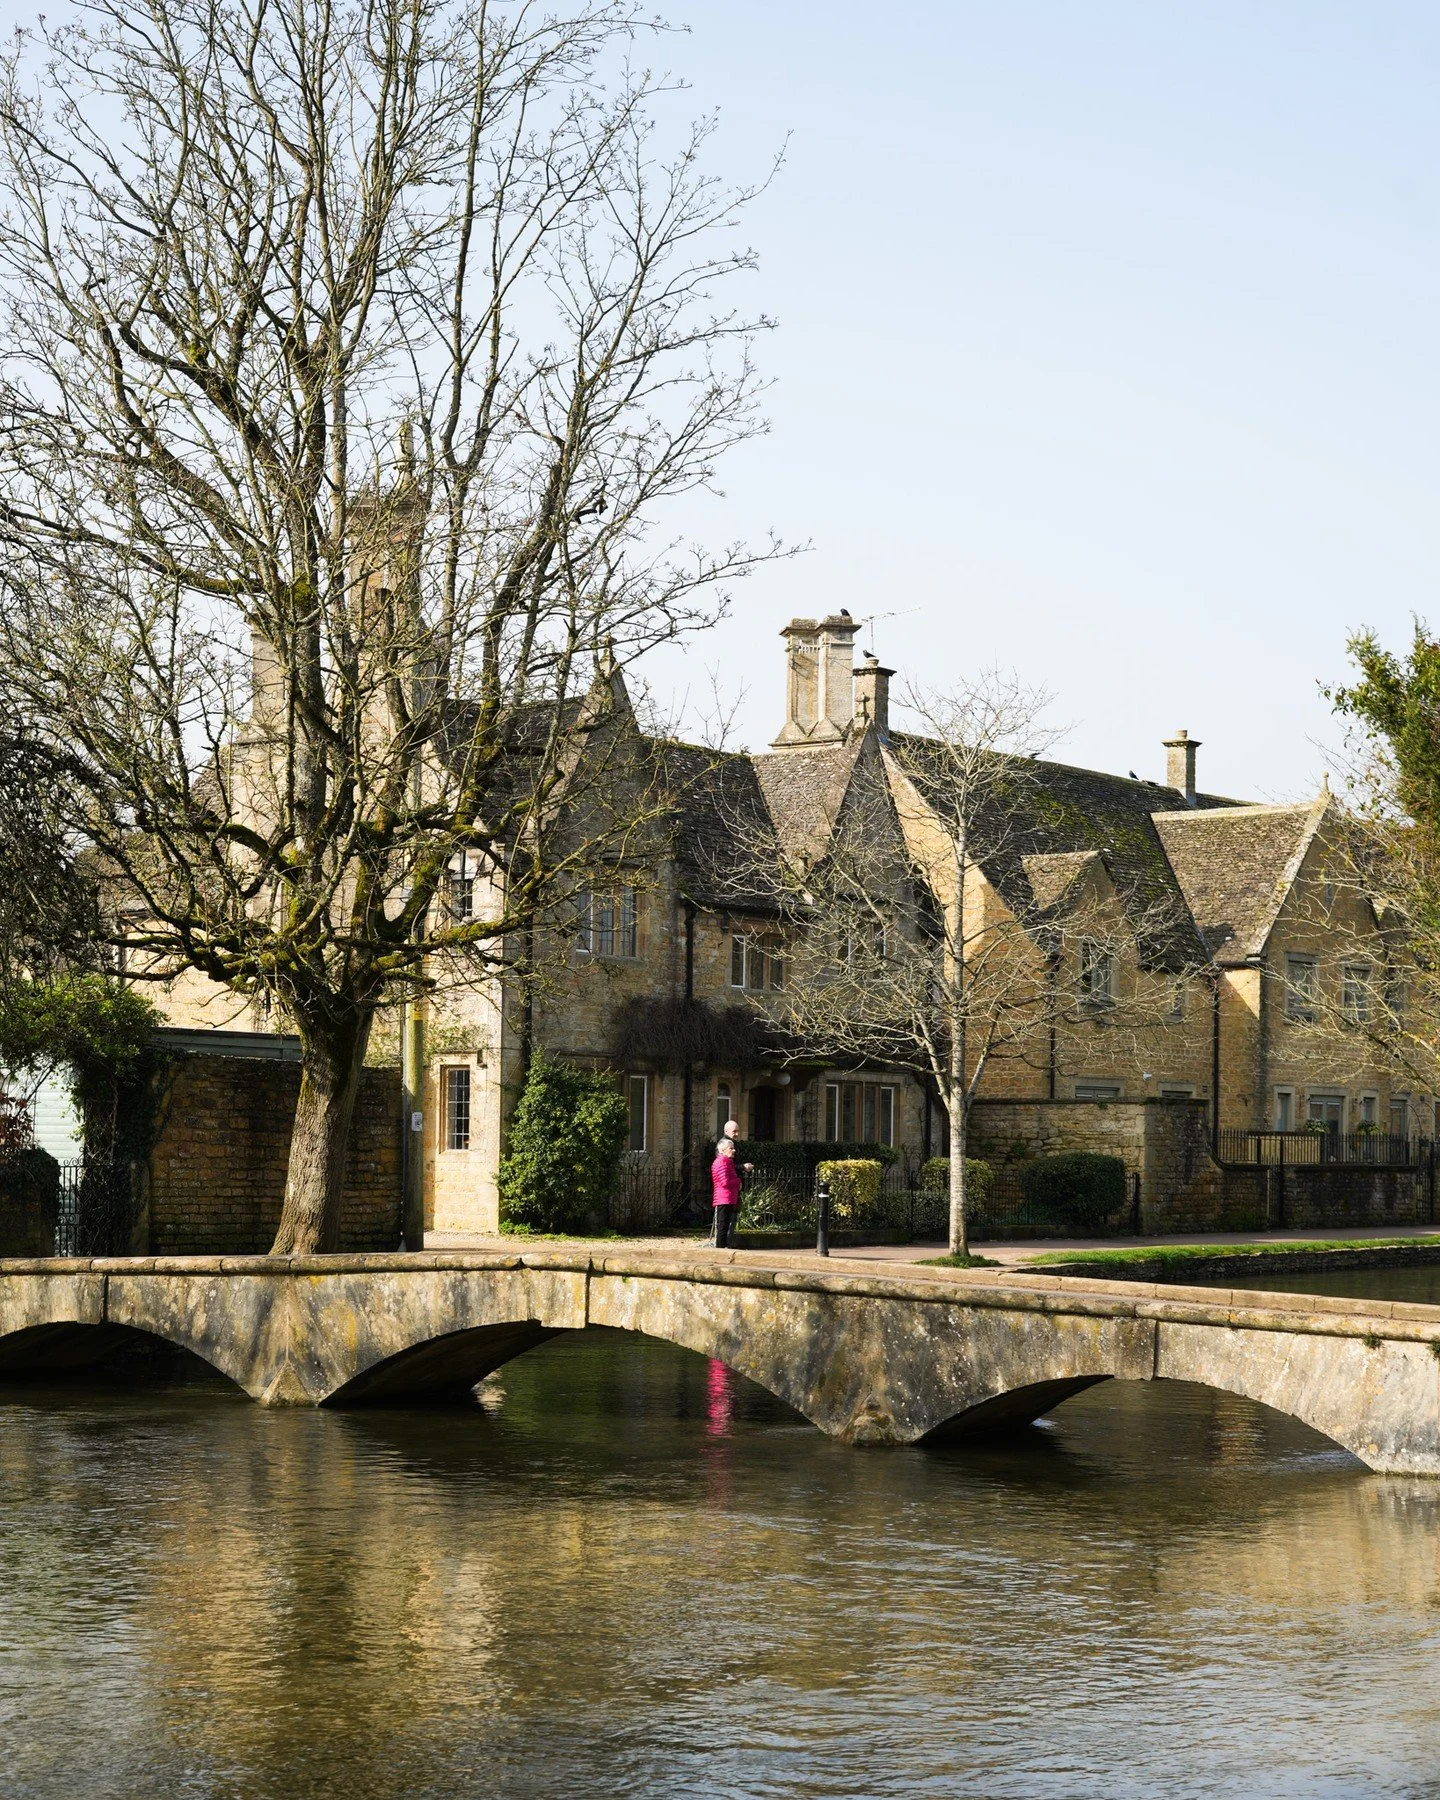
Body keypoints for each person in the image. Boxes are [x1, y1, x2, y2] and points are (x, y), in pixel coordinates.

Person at [710, 1138, 743, 1248]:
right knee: (723, 1225)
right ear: (722, 1150)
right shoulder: (721, 1163)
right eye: (731, 1148)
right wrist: (738, 1181)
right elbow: (725, 1182)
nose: (733, 1151)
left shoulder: (727, 1163)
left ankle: (724, 1245)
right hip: (724, 1198)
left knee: (726, 1224)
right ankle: (720, 1247)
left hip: (728, 1197)